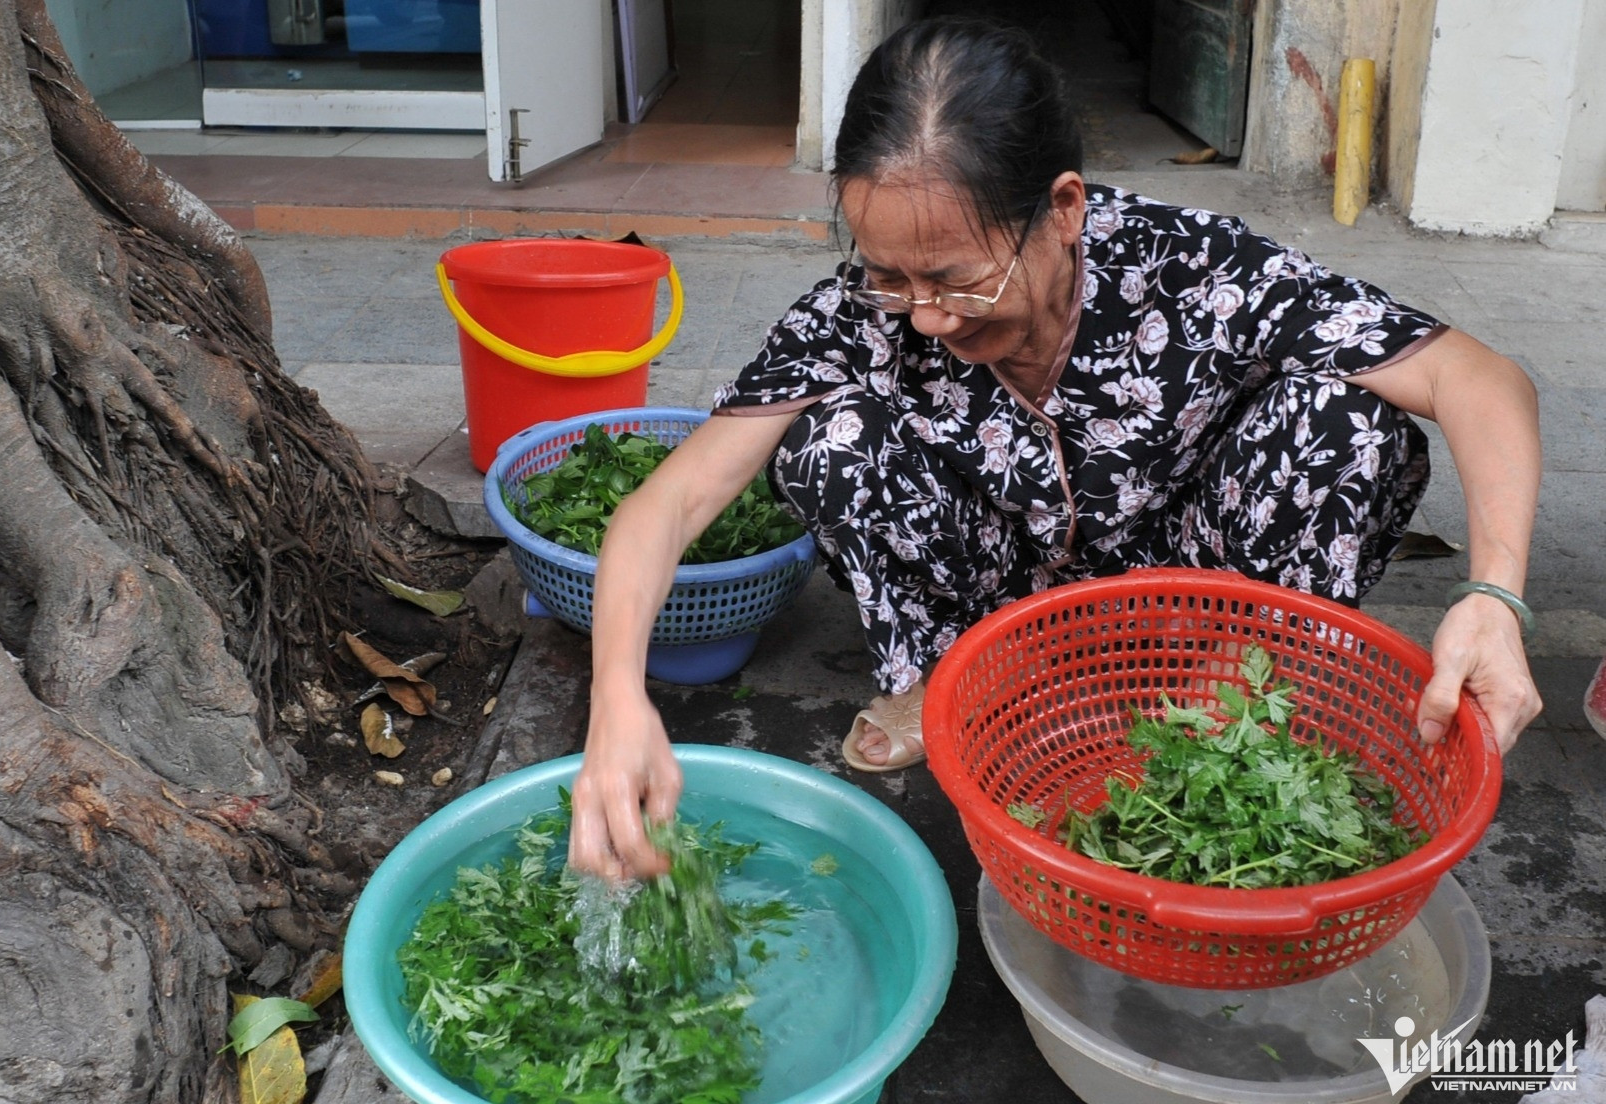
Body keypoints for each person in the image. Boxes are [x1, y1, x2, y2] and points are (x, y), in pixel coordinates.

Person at [569, 16, 1544, 882]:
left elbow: (1481, 380)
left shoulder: (1196, 273)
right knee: (829, 442)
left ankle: (1217, 695)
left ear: (1064, 210)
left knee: (1350, 429)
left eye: (956, 279)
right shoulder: (867, 315)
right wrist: (617, 700)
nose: (928, 317)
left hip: (1186, 585)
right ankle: (946, 674)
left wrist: (1493, 596)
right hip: (995, 575)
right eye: (889, 276)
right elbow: (673, 502)